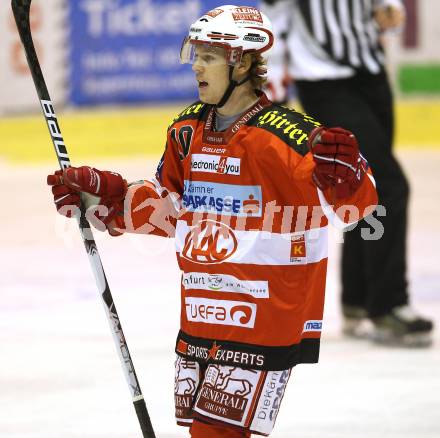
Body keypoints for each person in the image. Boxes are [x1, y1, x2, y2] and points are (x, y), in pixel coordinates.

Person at [47, 5, 377, 437]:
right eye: (195, 55)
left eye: (208, 57)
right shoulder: (186, 129)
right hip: (203, 309)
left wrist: (347, 175)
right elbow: (171, 211)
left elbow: (358, 207)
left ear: (241, 61)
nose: (196, 66)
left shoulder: (284, 135)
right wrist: (106, 197)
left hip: (264, 313)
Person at [261, 0, 433, 346]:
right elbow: (275, 17)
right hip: (324, 81)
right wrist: (272, 90)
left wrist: (390, 11)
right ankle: (387, 305)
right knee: (390, 186)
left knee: (363, 185)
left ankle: (358, 299)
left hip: (371, 71)